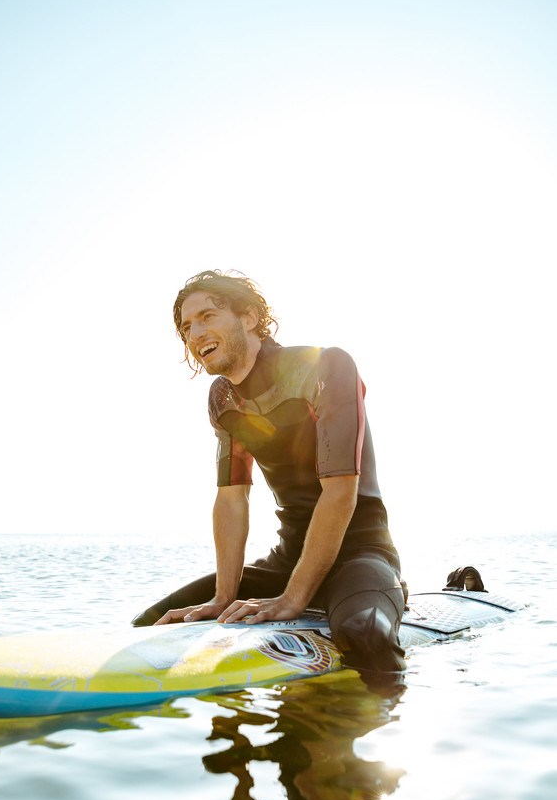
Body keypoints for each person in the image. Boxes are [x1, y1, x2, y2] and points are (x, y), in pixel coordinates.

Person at [132, 270, 406, 676]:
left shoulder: (325, 365)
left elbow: (340, 490)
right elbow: (231, 499)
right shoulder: (223, 398)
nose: (195, 333)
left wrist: (293, 599)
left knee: (364, 635)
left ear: (249, 317)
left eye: (208, 316)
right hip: (286, 560)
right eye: (187, 326)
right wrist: (224, 597)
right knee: (151, 624)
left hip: (359, 553)